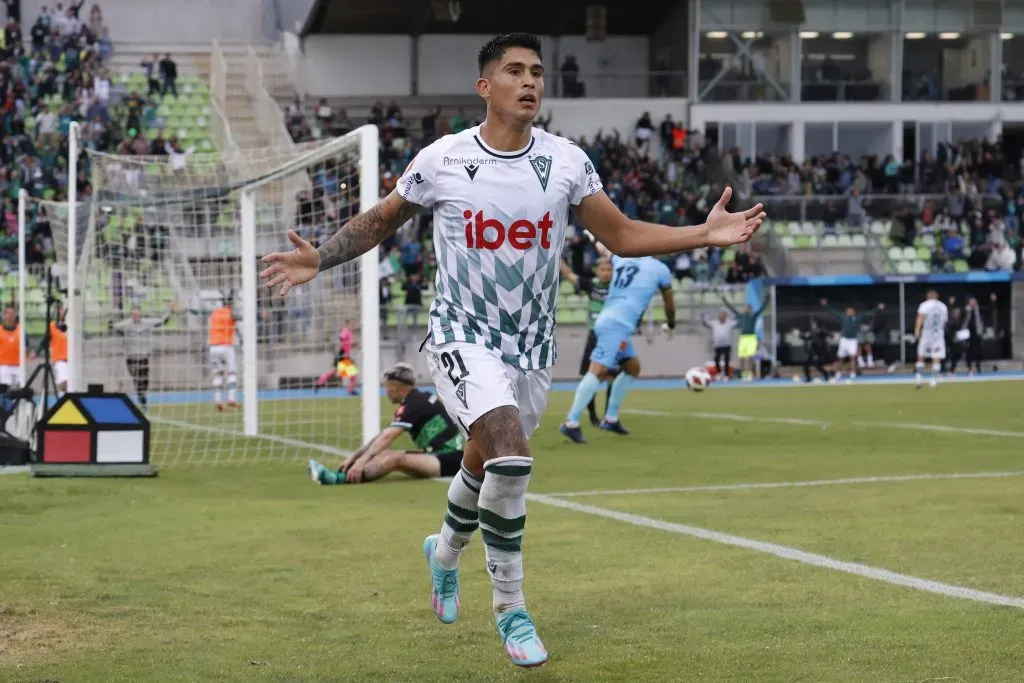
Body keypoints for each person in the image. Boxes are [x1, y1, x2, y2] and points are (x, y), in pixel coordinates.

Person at [259, 32, 764, 669]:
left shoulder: (568, 163)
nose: (531, 82)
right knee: (510, 456)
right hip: (459, 337)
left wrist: (703, 232)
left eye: (537, 72)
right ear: (485, 86)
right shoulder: (442, 159)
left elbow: (624, 234)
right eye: (515, 71)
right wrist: (321, 257)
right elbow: (381, 220)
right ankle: (511, 606)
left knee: (485, 461)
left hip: (532, 349)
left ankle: (444, 552)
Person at [560, 245, 674, 443]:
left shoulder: (622, 259)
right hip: (617, 325)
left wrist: (594, 238)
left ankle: (611, 418)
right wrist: (671, 323)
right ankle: (571, 422)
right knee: (597, 370)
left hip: (612, 322)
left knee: (633, 367)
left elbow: (604, 250)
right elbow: (669, 303)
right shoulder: (660, 269)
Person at [308, 363, 464, 484]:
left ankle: (336, 479)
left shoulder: (414, 403)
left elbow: (388, 437)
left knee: (394, 459)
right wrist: (354, 458)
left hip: (449, 459)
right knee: (385, 454)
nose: (386, 390)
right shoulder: (415, 400)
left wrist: (361, 461)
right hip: (438, 455)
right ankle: (341, 473)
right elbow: (383, 435)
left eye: (387, 386)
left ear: (396, 387)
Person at [559, 257, 613, 425]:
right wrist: (556, 257)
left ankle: (610, 415)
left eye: (609, 269)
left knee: (612, 376)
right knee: (590, 376)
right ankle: (593, 416)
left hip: (612, 335)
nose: (605, 273)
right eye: (602, 269)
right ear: (596, 271)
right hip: (594, 335)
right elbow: (569, 275)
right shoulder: (591, 285)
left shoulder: (617, 287)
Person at [111, 305, 175, 411]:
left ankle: (142, 397)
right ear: (131, 315)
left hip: (144, 357)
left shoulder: (147, 322)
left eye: (137, 314)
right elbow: (113, 326)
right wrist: (111, 324)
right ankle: (143, 400)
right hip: (131, 358)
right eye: (133, 314)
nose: (135, 316)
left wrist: (169, 311)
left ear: (140, 314)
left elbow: (162, 321)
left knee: (144, 381)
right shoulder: (126, 324)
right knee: (137, 379)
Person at [819, 299, 877, 382]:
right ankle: (838, 374)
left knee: (852, 357)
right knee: (841, 358)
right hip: (844, 340)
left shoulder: (858, 318)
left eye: (851, 311)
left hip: (853, 341)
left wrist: (878, 309)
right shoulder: (844, 317)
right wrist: (825, 305)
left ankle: (852, 374)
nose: (849, 312)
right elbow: (833, 312)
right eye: (848, 311)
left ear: (853, 312)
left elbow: (867, 314)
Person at [205, 297, 239, 411]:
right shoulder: (231, 312)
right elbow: (237, 318)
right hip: (226, 346)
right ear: (231, 304)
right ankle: (231, 398)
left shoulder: (214, 314)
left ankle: (218, 399)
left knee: (218, 374)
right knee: (231, 373)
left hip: (213, 347)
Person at [724, 296, 768, 381]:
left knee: (750, 356)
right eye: (746, 308)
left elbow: (761, 309)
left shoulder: (753, 316)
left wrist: (766, 300)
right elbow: (732, 309)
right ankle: (743, 373)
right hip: (743, 338)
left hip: (751, 337)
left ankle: (749, 373)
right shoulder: (741, 316)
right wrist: (725, 300)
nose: (747, 310)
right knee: (741, 356)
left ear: (751, 310)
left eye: (749, 308)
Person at [914, 289, 949, 389]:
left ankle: (919, 378)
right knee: (936, 358)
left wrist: (917, 331)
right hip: (938, 335)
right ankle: (933, 381)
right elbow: (945, 321)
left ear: (928, 297)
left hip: (926, 334)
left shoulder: (924, 305)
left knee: (921, 356)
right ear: (937, 296)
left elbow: (920, 317)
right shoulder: (943, 306)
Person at [701, 308, 737, 380]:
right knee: (716, 360)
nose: (721, 316)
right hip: (717, 345)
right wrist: (702, 317)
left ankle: (726, 375)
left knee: (727, 360)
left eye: (723, 315)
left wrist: (738, 315)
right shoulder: (714, 323)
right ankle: (719, 373)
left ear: (726, 316)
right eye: (720, 315)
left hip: (727, 345)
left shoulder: (730, 322)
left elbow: (738, 323)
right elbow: (706, 324)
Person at [0, 305, 23, 388]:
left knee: (22, 387)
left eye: (12, 313)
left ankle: (18, 401)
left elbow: (27, 345)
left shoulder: (21, 330)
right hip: (4, 365)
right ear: (4, 315)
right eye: (8, 313)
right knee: (5, 388)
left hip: (19, 364)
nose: (10, 316)